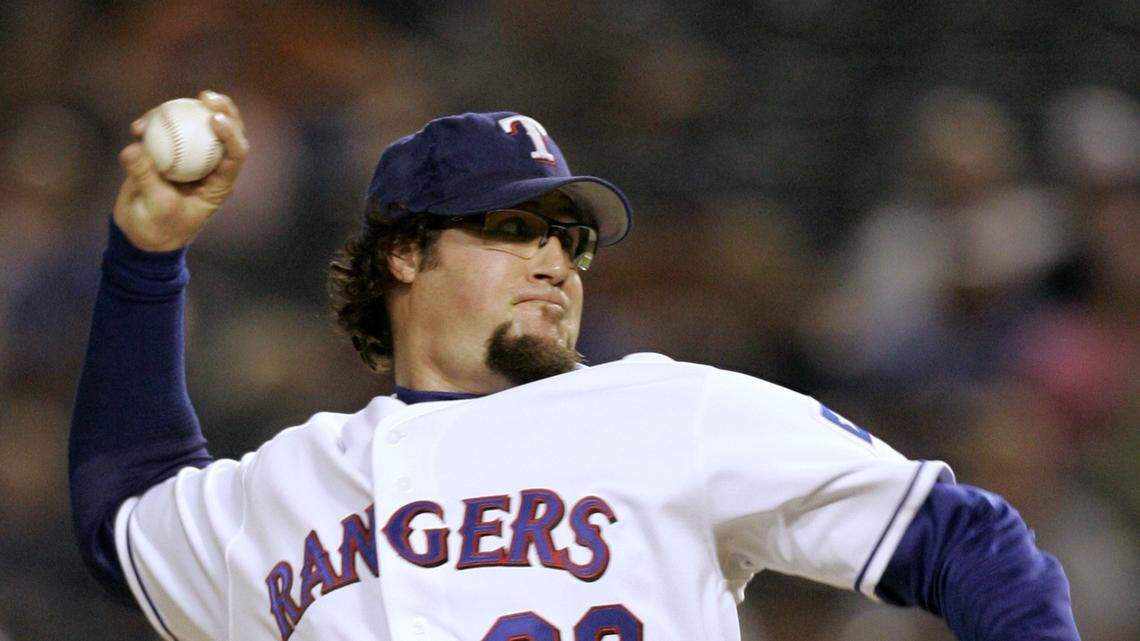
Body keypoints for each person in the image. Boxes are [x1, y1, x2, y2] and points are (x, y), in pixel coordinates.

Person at [70, 91, 1081, 641]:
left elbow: (957, 534)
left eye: (570, 238)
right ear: (406, 253)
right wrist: (146, 259)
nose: (555, 258)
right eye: (513, 228)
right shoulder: (291, 479)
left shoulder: (663, 407)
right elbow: (123, 510)